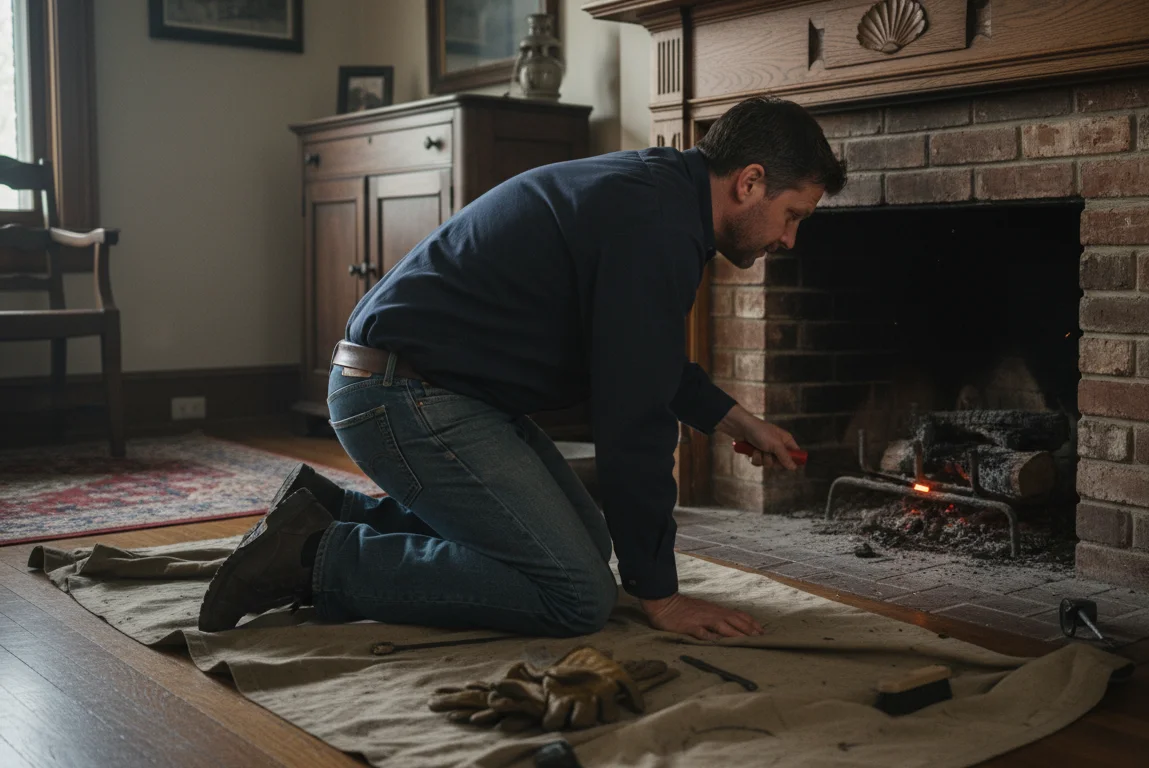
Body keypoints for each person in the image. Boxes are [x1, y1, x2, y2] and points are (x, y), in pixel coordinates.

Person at [198, 96, 846, 641]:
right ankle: (311, 558)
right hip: (400, 394)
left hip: (434, 390)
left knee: (587, 546)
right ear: (750, 181)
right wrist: (661, 595)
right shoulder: (657, 228)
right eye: (793, 216)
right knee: (577, 595)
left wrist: (737, 420)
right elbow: (634, 423)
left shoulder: (659, 195)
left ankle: (329, 511)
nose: (789, 238)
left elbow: (642, 358)